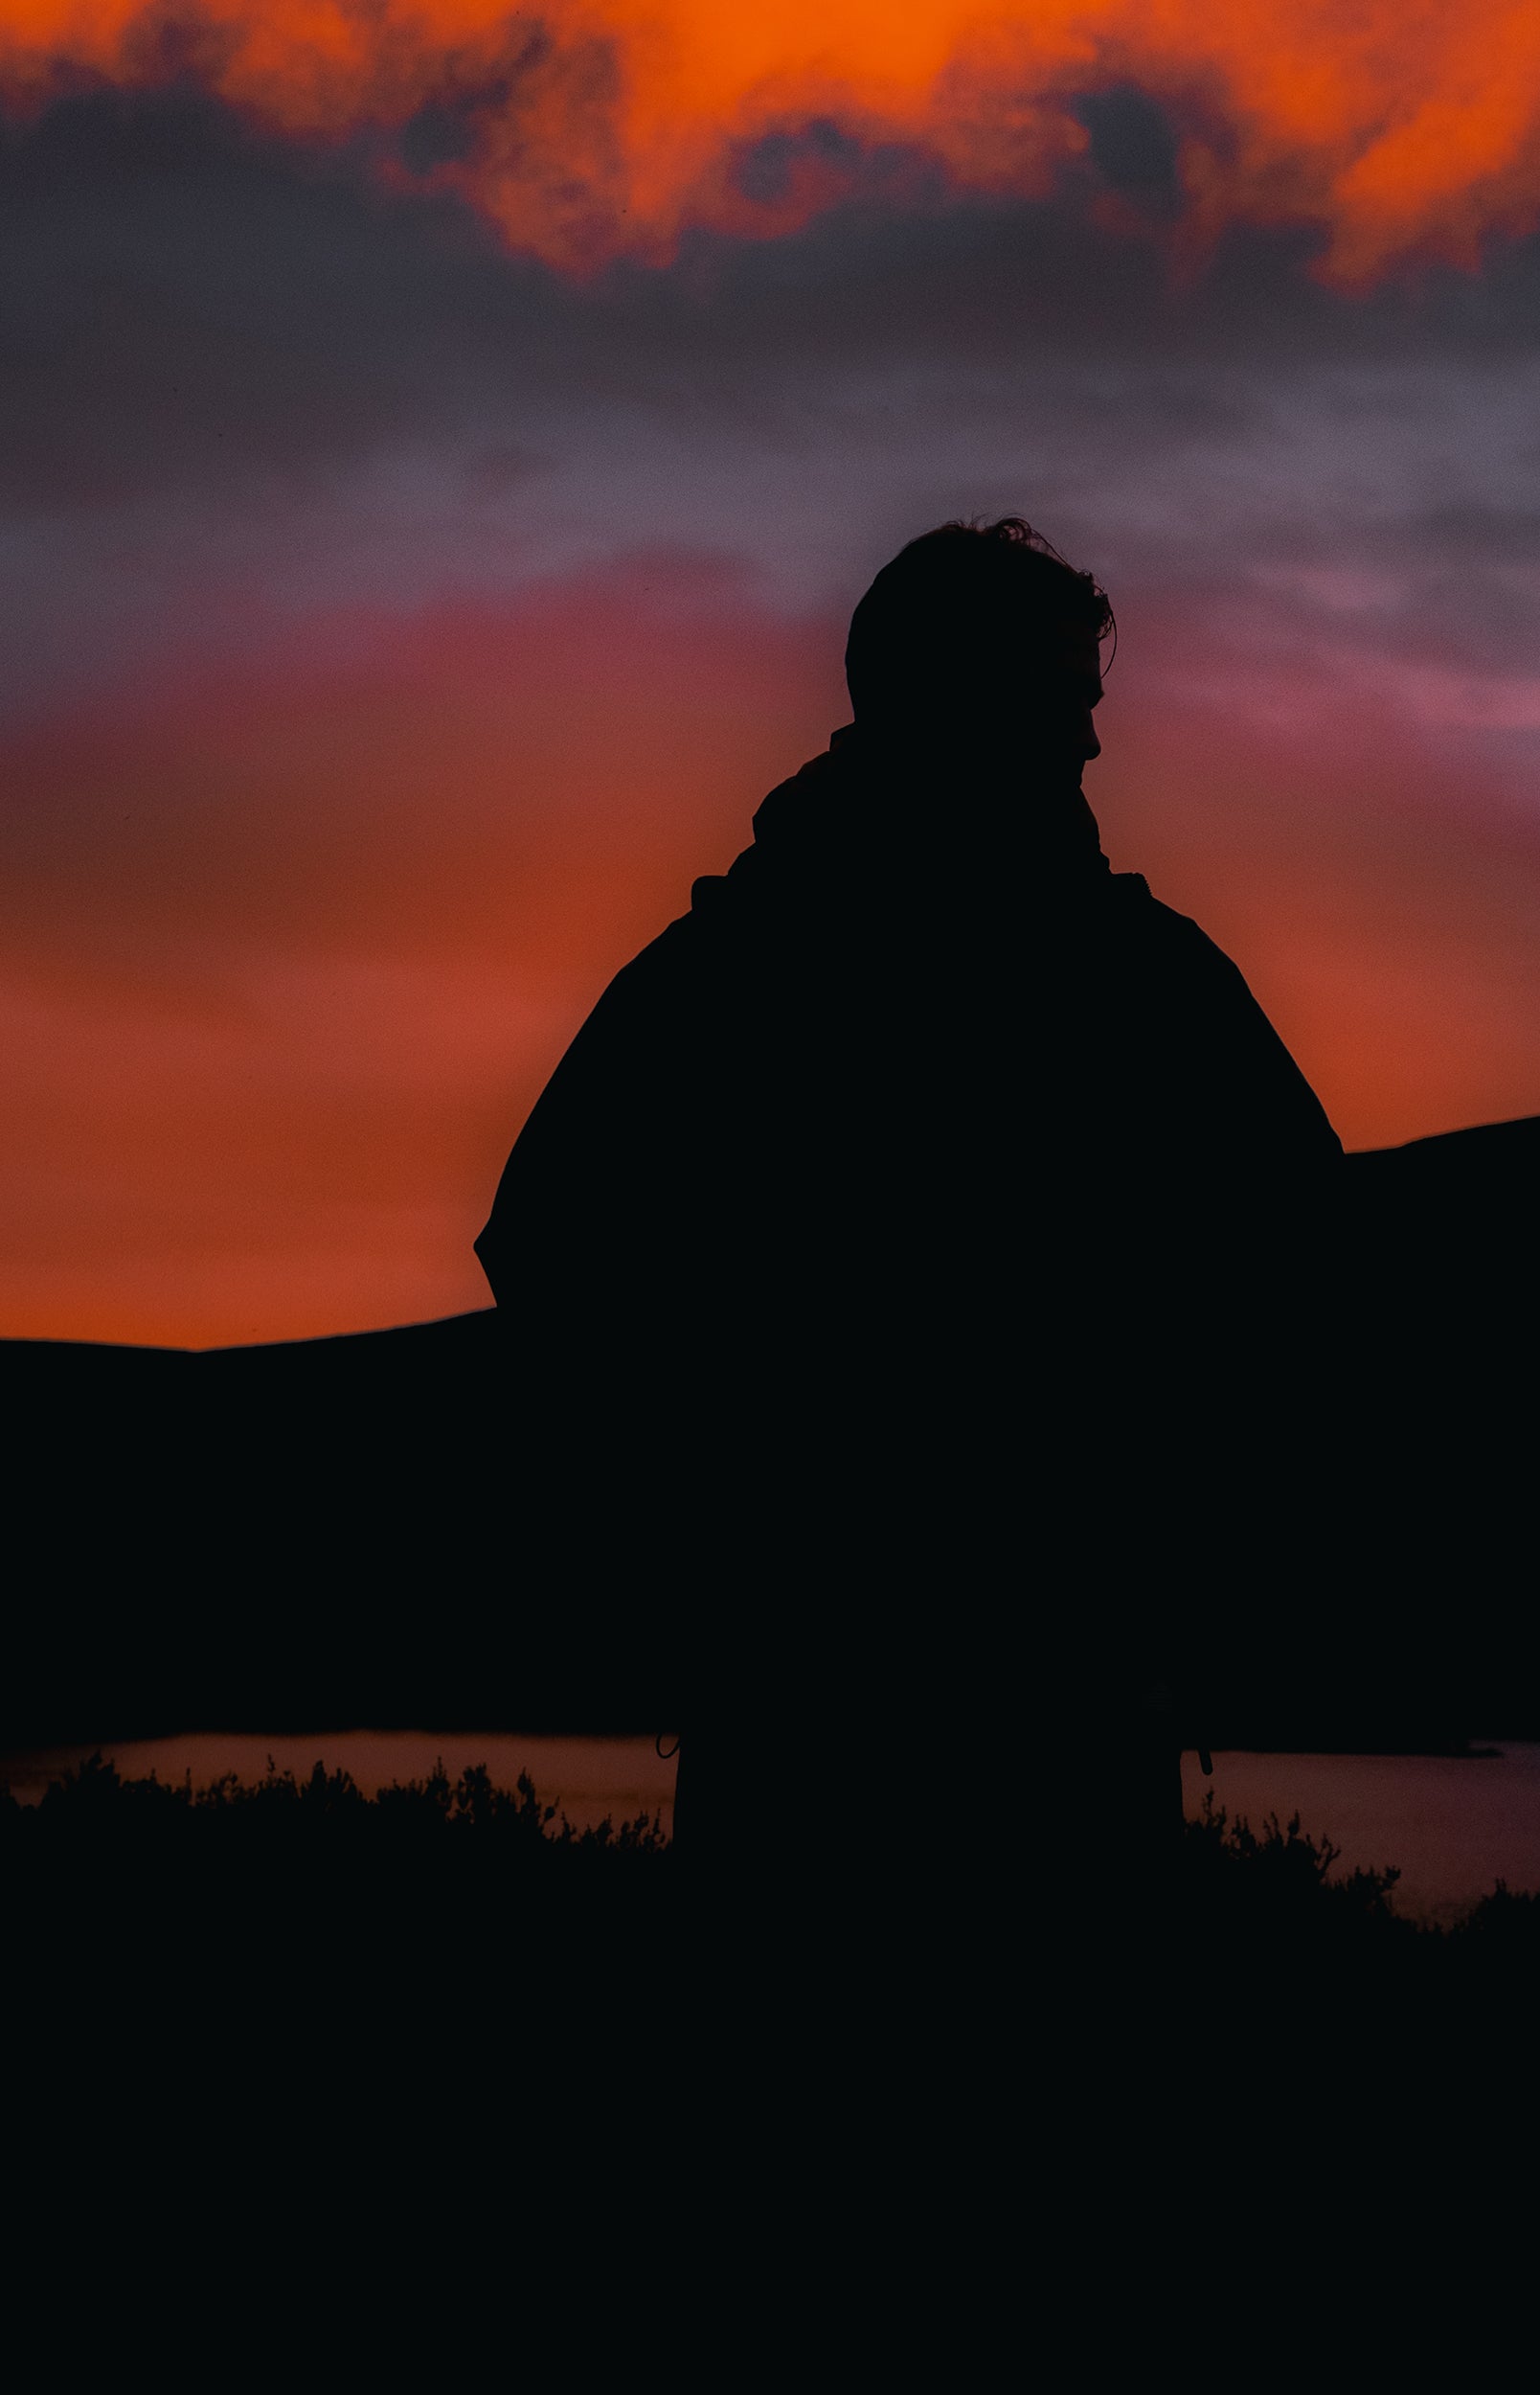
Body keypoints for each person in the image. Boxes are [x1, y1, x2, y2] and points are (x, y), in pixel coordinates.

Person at [476, 518, 1341, 1926]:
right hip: (844, 1712)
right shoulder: (759, 978)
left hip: (1034, 1690)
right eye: (1064, 700)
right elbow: (552, 1244)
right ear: (953, 697)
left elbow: (1307, 1266)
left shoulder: (1116, 978)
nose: (1091, 746)